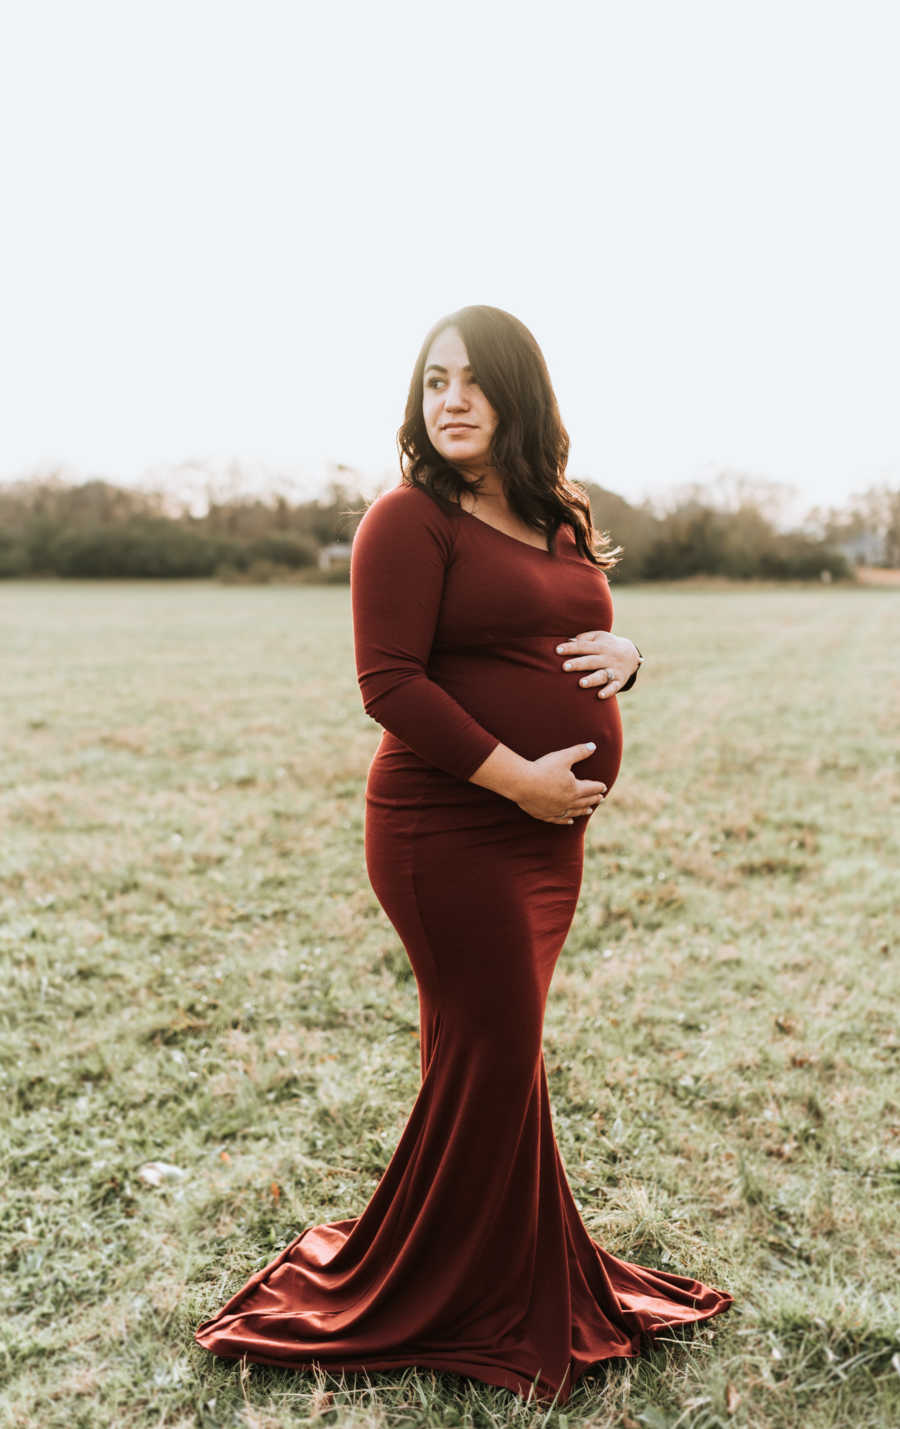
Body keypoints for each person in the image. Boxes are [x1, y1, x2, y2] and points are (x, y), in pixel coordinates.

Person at [194, 305, 732, 1404]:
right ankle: (448, 1290)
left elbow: (572, 633)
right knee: (495, 1047)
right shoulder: (407, 519)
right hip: (446, 831)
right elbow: (389, 684)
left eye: (475, 382)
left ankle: (504, 1268)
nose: (450, 399)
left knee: (493, 1055)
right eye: (434, 379)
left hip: (544, 848)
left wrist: (633, 656)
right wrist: (520, 778)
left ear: (518, 398)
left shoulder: (556, 518)